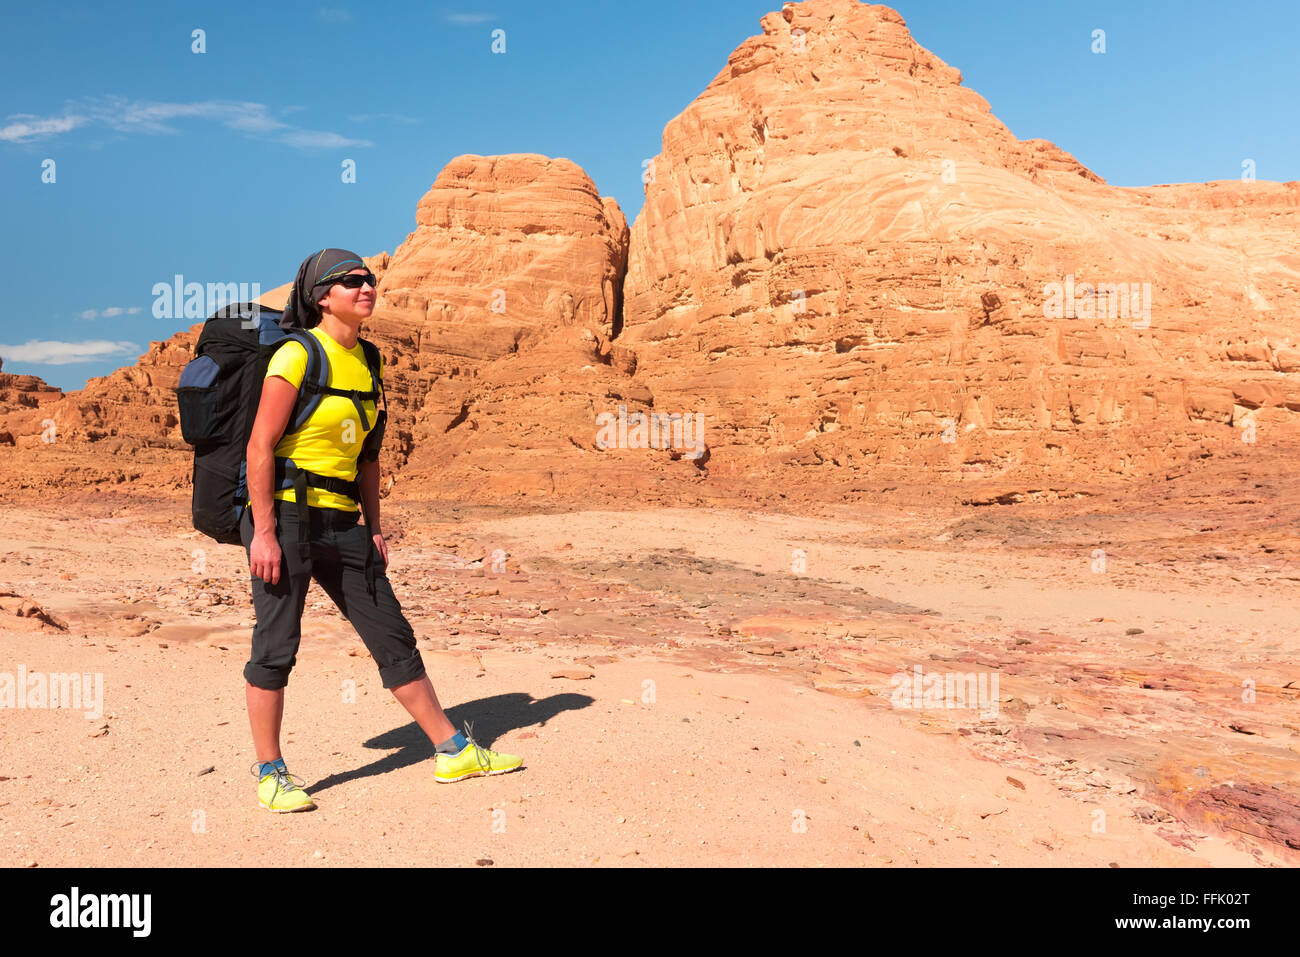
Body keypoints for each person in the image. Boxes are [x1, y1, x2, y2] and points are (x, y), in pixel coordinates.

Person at [241, 247, 522, 812]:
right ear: (323, 296)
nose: (366, 286)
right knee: (276, 647)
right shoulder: (297, 354)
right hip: (287, 517)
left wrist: (374, 527)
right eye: (352, 281)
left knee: (391, 634)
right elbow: (259, 446)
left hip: (345, 521)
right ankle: (271, 772)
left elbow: (369, 457)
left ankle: (452, 748)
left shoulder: (371, 361)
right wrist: (264, 532)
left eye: (369, 279)